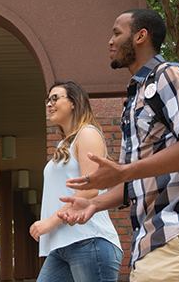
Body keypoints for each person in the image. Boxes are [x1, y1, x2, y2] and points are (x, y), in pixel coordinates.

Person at [57, 9, 179, 282]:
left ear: (140, 36)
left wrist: (124, 172)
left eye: (117, 33)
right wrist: (95, 204)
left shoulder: (171, 75)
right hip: (156, 240)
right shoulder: (135, 97)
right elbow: (139, 179)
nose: (110, 42)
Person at [29, 81, 123, 282]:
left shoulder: (87, 133)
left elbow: (91, 189)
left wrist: (49, 222)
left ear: (74, 103)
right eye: (48, 100)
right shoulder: (64, 144)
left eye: (55, 98)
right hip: (62, 246)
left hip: (89, 240)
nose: (49, 104)